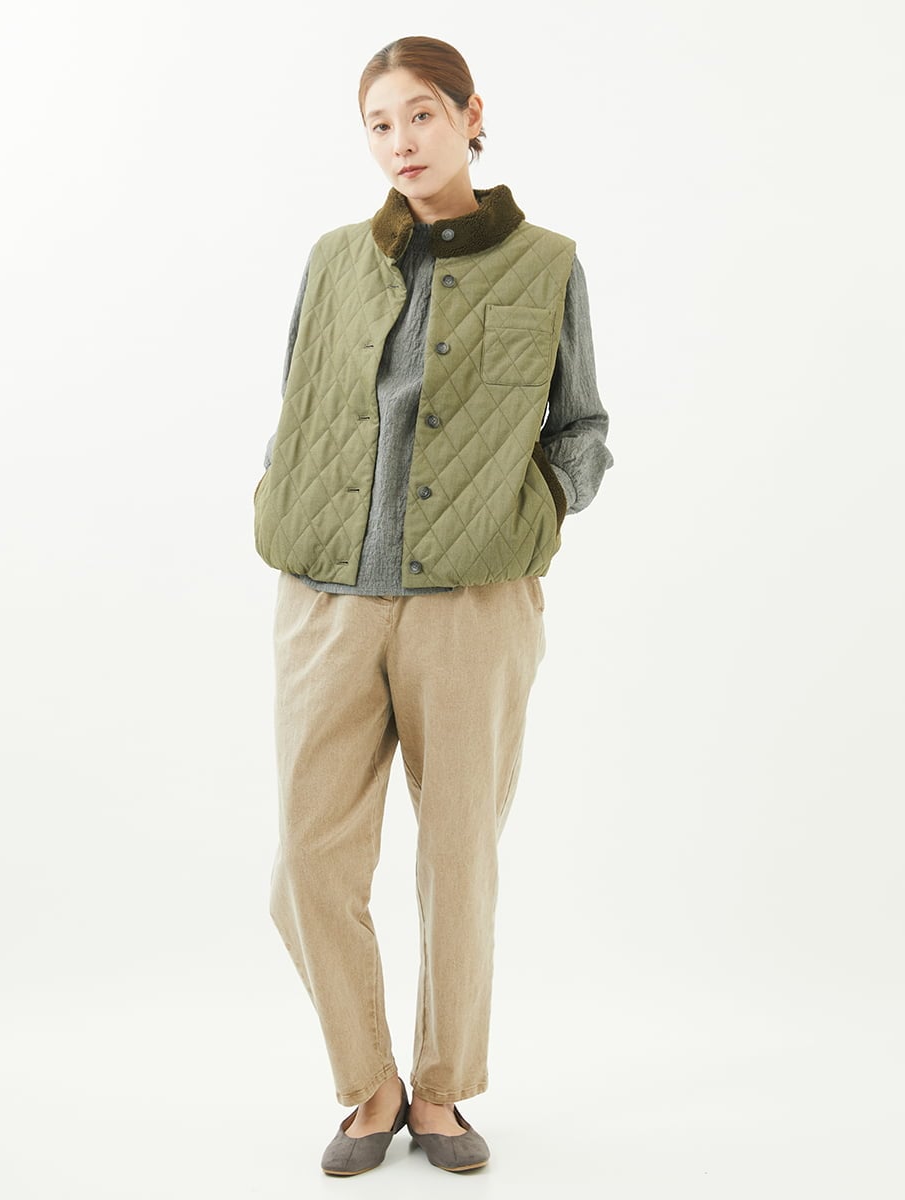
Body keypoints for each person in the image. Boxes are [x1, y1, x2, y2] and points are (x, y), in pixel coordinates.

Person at [252, 35, 614, 1175]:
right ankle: (369, 1085)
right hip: (326, 595)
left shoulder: (547, 264)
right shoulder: (332, 260)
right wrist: (279, 495)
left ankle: (444, 1091)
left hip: (473, 603)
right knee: (308, 861)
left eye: (419, 115)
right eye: (378, 123)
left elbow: (582, 430)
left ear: (469, 114)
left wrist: (535, 513)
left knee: (458, 859)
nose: (399, 142)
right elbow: (298, 400)